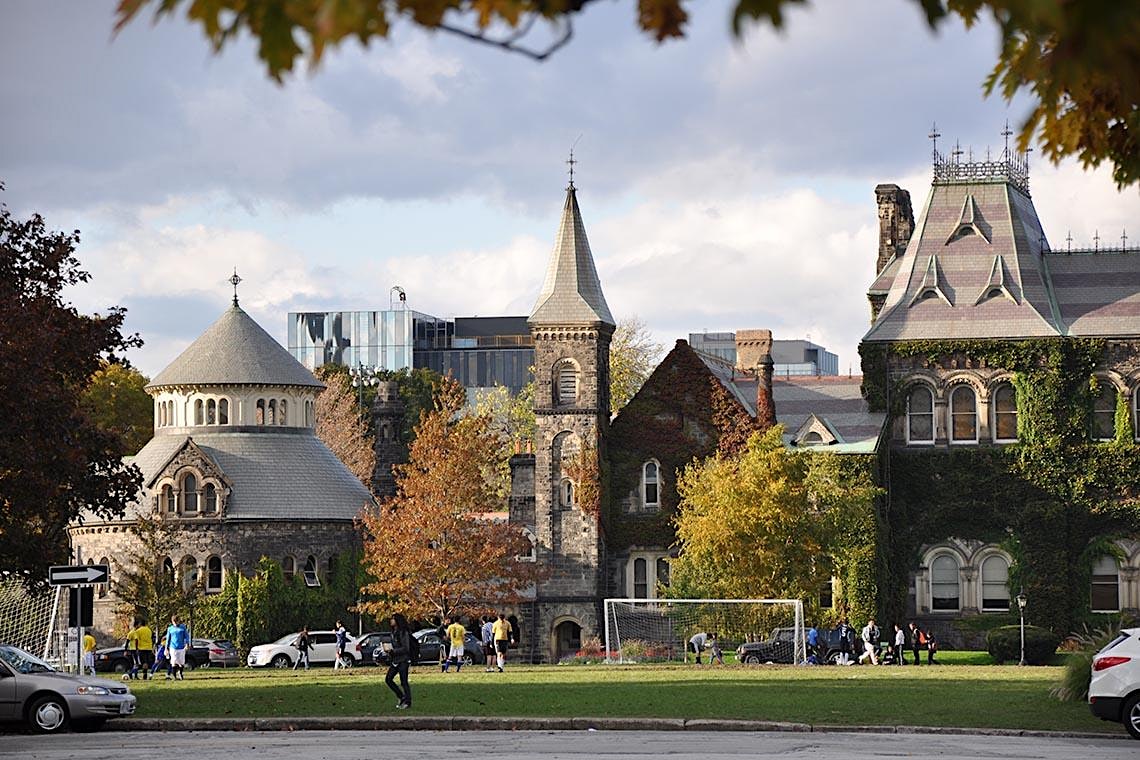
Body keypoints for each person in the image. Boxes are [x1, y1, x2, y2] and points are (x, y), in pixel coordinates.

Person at [384, 613, 413, 709]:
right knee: (388, 679)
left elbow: (406, 648)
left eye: (393, 619)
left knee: (404, 681)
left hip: (403, 660)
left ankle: (407, 701)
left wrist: (393, 651)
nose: (391, 621)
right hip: (396, 660)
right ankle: (401, 696)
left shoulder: (403, 632)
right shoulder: (393, 632)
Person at [166, 615, 189, 680]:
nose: (175, 623)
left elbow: (186, 636)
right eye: (174, 622)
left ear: (179, 621)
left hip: (181, 647)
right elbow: (168, 639)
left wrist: (187, 644)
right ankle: (174, 676)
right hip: (173, 647)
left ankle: (180, 673)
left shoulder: (183, 627)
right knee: (174, 661)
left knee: (181, 662)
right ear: (172, 622)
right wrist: (166, 648)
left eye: (177, 622)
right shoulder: (170, 629)